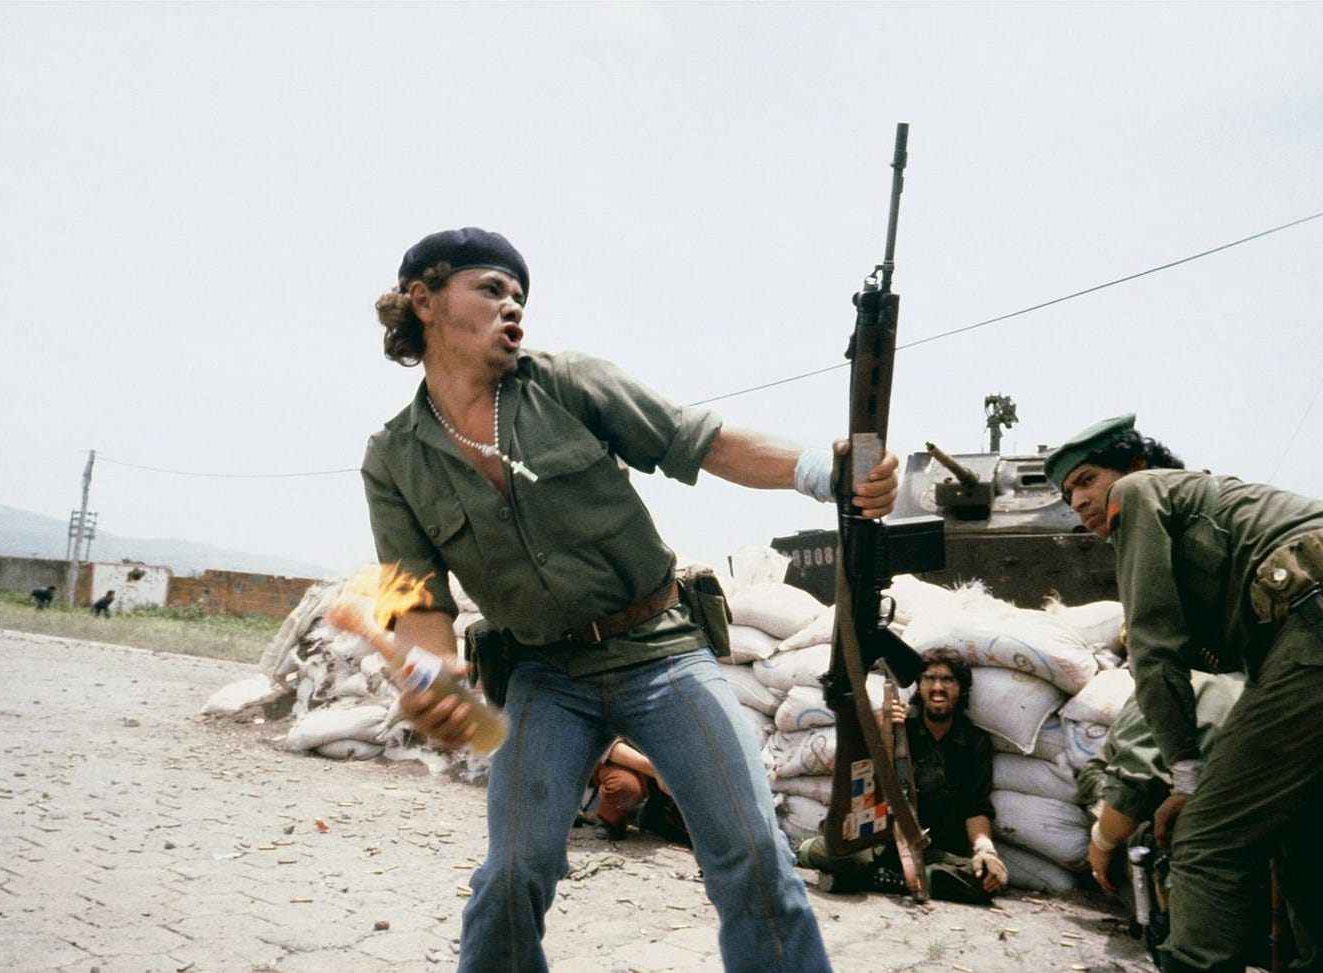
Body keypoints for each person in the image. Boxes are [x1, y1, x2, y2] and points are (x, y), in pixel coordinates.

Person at [362, 227, 900, 973]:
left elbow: (699, 440)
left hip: (660, 652)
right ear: (423, 301)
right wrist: (430, 677)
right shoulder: (393, 458)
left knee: (751, 851)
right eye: (490, 289)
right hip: (545, 677)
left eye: (520, 296)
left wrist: (822, 470)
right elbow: (417, 599)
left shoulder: (567, 383)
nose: (513, 306)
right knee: (513, 873)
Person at [1045, 413, 1323, 973]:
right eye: (1067, 494)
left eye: (1086, 480)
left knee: (1207, 838)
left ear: (1135, 465)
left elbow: (1154, 648)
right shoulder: (1212, 508)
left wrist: (1187, 777)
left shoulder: (1140, 491)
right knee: (1309, 833)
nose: (1078, 501)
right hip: (1321, 637)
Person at [1077, 672, 1245, 895]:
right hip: (1258, 846)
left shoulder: (1164, 685)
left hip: (1203, 854)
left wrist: (1101, 842)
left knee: (1128, 833)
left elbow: (1129, 795)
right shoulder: (1257, 689)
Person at [878, 647, 1007, 903]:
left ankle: (897, 880)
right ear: (919, 685)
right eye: (929, 678)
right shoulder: (899, 728)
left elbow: (976, 806)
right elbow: (870, 781)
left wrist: (985, 850)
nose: (938, 688)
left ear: (962, 689)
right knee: (836, 854)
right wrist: (881, 730)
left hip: (933, 852)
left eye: (948, 679)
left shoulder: (974, 742)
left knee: (984, 878)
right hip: (887, 842)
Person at [579, 738, 689, 845]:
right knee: (625, 787)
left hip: (665, 756)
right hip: (623, 756)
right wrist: (656, 770)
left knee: (689, 822)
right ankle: (609, 820)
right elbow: (606, 744)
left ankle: (656, 813)